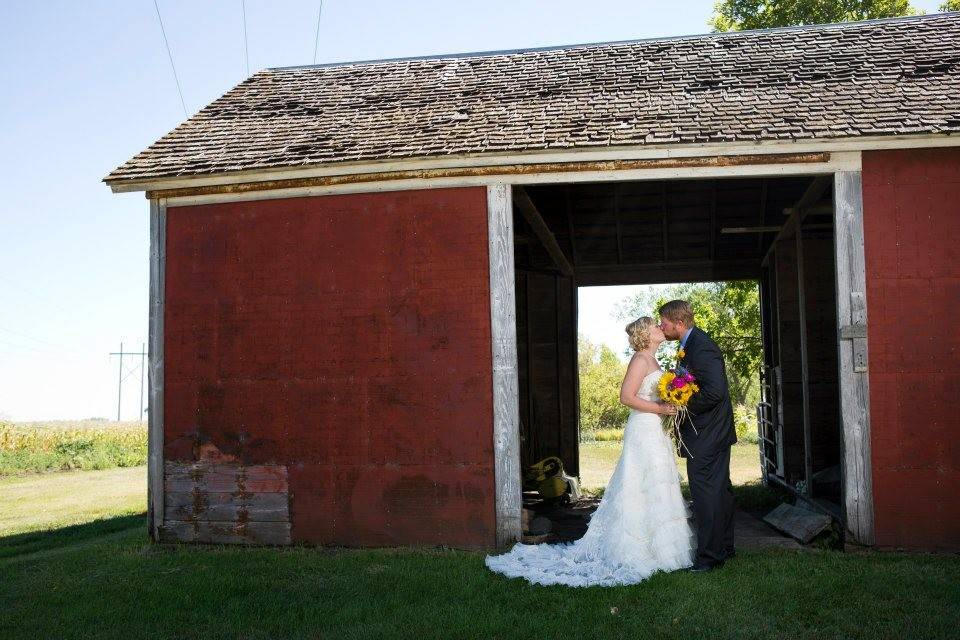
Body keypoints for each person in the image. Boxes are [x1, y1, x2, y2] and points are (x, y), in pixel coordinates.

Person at [484, 317, 696, 587]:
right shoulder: (640, 360)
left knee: (656, 484)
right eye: (655, 326)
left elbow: (650, 395)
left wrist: (671, 400)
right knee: (639, 485)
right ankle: (635, 550)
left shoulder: (653, 361)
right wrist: (660, 409)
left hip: (655, 429)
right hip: (642, 429)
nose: (660, 328)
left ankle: (662, 552)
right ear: (646, 334)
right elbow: (626, 397)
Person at [658, 299, 737, 573]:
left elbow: (715, 392)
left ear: (679, 323)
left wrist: (682, 404)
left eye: (664, 322)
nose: (661, 326)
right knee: (719, 491)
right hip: (710, 432)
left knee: (707, 494)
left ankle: (709, 558)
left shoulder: (701, 347)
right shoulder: (689, 345)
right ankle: (724, 547)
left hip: (708, 434)